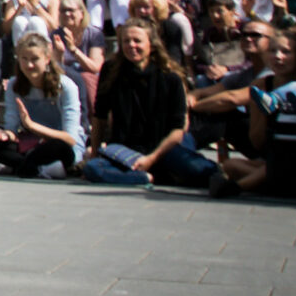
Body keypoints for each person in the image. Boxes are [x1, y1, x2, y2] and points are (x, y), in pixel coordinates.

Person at [82, 18, 216, 188]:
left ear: (151, 44)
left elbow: (178, 129)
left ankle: (160, 173)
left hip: (163, 149)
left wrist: (152, 158)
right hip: (126, 152)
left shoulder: (170, 77)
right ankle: (145, 177)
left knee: (202, 170)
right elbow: (99, 117)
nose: (131, 45)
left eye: (137, 41)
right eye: (126, 41)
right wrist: (94, 153)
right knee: (93, 169)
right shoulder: (111, 71)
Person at [0, 33, 85, 178]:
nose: (29, 65)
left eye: (35, 59)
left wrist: (32, 126)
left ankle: (20, 165)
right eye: (24, 59)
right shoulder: (14, 85)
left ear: (47, 59)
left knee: (57, 147)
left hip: (59, 145)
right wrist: (3, 135)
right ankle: (30, 166)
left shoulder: (65, 86)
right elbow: (12, 129)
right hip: (29, 144)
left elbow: (70, 138)